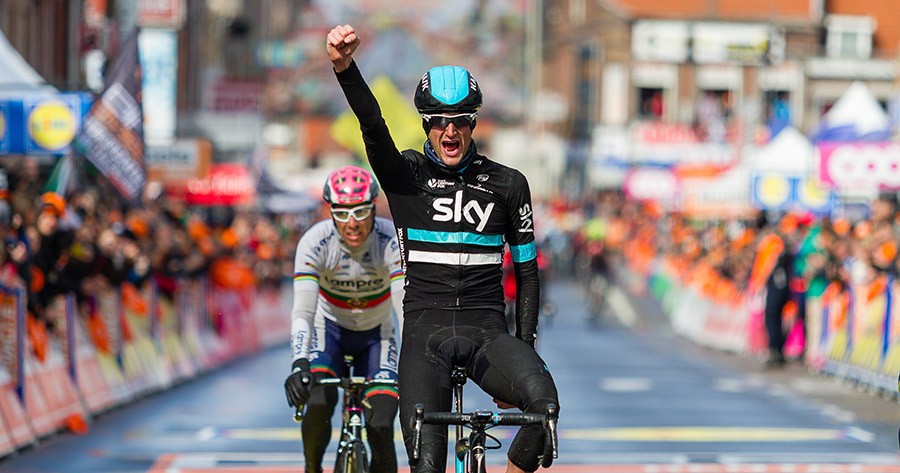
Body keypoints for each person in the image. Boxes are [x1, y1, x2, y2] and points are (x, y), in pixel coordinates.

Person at [326, 24, 560, 473]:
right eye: (437, 122)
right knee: (428, 466)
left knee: (544, 406)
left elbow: (528, 273)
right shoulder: (405, 177)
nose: (449, 132)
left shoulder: (509, 184)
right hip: (424, 336)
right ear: (426, 126)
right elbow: (372, 127)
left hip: (488, 332)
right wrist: (345, 68)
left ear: (473, 123)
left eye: (459, 121)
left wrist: (526, 348)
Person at [283, 165, 405, 473]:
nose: (352, 224)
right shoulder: (314, 242)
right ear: (331, 211)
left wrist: (417, 361)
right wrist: (299, 363)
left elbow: (405, 307)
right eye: (341, 213)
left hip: (378, 334)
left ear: (373, 209)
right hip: (330, 332)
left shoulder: (391, 239)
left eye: (361, 212)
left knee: (380, 424)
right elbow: (303, 311)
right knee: (319, 402)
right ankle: (312, 467)